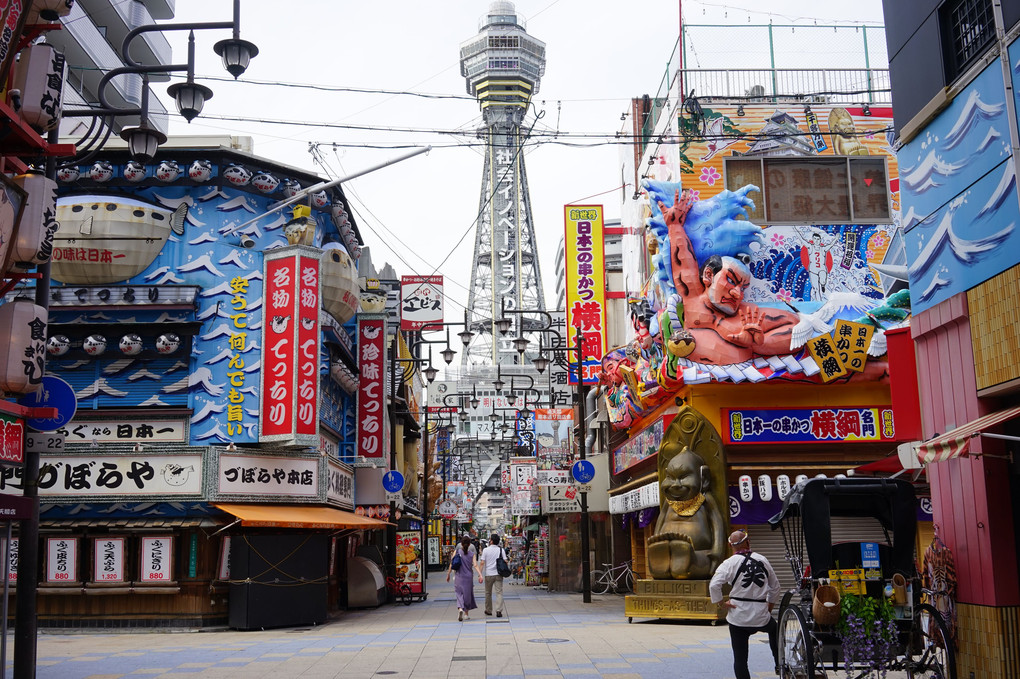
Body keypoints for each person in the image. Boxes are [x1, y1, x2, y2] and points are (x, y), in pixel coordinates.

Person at [658, 188, 799, 364]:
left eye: (743, 288)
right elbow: (683, 262)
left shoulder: (748, 316)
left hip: (742, 377)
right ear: (708, 275)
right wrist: (674, 226)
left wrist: (761, 343)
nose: (737, 294)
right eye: (731, 281)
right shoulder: (692, 296)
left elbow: (795, 325)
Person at [646, 445, 727, 579]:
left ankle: (687, 557)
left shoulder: (705, 499)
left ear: (704, 478)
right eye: (671, 478)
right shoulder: (668, 502)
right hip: (667, 550)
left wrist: (717, 551)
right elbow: (660, 520)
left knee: (691, 565)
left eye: (683, 477)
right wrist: (656, 541)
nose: (676, 484)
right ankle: (662, 561)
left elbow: (717, 525)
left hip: (700, 552)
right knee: (662, 569)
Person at [709, 530, 781, 679]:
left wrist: (721, 603)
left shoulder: (729, 563)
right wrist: (769, 608)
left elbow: (714, 585)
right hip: (761, 616)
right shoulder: (763, 560)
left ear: (730, 545)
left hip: (738, 616)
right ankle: (779, 663)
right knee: (774, 630)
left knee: (740, 659)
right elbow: (776, 587)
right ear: (748, 542)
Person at [446, 535, 478, 622]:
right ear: (469, 544)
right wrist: (480, 574)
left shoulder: (457, 552)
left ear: (461, 543)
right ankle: (466, 614)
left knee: (459, 593)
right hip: (468, 577)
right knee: (467, 595)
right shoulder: (472, 554)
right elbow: (475, 565)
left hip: (458, 577)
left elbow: (451, 564)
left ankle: (460, 608)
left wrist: (448, 574)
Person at [477, 533, 507, 617]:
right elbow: (505, 561)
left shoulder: (486, 550)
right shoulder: (501, 550)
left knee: (488, 593)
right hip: (498, 574)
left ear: (492, 541)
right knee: (499, 592)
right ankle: (499, 610)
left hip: (489, 574)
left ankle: (488, 610)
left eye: (490, 539)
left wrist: (480, 574)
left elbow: (482, 563)